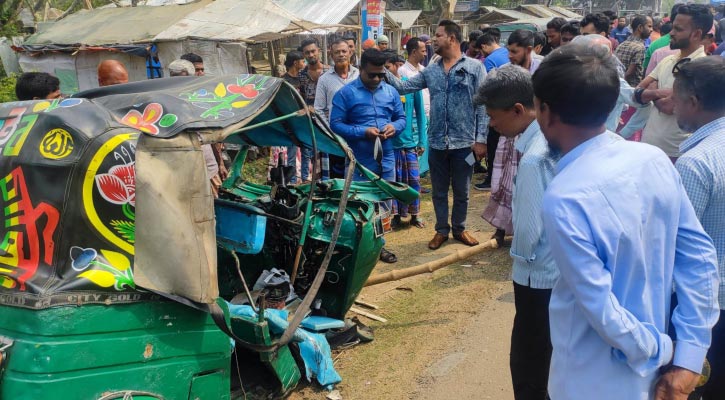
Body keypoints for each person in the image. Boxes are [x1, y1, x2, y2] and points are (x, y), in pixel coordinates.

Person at [533, 43, 719, 400]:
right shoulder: (652, 159)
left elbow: (602, 309)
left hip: (592, 377)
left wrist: (662, 351)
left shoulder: (565, 196)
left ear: (545, 111)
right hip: (659, 371)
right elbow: (699, 257)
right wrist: (688, 355)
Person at [475, 64, 558, 399]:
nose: (492, 125)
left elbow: (526, 233)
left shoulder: (534, 158)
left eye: (494, 117)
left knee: (529, 362)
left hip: (536, 275)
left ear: (518, 110)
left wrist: (517, 256)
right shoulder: (555, 137)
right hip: (560, 271)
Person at [385, 20, 488, 250]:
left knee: (462, 191)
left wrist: (481, 140)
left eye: (438, 35)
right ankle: (442, 230)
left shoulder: (474, 67)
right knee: (439, 191)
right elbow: (404, 87)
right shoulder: (431, 70)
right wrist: (382, 67)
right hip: (437, 144)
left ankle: (459, 229)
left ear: (451, 38)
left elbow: (482, 106)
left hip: (466, 144)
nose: (433, 40)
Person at [672, 56, 725, 400]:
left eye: (676, 100)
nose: (672, 107)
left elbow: (678, 251)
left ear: (692, 103)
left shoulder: (695, 163)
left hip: (707, 307)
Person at [330, 48, 406, 263]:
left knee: (384, 202)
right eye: (371, 74)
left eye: (380, 74)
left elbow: (401, 117)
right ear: (360, 68)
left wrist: (394, 127)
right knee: (359, 203)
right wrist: (362, 132)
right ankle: (359, 247)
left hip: (387, 156)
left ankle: (379, 246)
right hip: (358, 159)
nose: (376, 79)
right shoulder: (345, 94)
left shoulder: (390, 92)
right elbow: (335, 125)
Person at [636, 4, 713, 162]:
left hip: (674, 153)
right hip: (649, 146)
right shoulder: (667, 60)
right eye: (673, 28)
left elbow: (669, 107)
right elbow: (638, 91)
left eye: (678, 29)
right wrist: (660, 93)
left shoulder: (702, 69)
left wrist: (652, 92)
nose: (671, 33)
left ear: (696, 34)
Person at [385, 52, 427, 230]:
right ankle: (395, 216)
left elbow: (421, 115)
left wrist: (422, 141)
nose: (384, 73)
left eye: (387, 68)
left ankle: (415, 215)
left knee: (413, 181)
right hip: (389, 144)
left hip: (409, 142)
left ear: (397, 65)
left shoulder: (410, 86)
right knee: (393, 182)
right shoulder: (381, 89)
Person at [298, 38, 330, 182]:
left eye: (313, 51)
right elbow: (302, 97)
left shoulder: (329, 71)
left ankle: (329, 182)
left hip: (328, 120)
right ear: (304, 55)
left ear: (319, 51)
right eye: (307, 53)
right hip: (310, 121)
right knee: (311, 153)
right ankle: (312, 183)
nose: (311, 55)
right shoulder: (302, 75)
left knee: (328, 153)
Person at [400, 37, 431, 177]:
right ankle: (414, 175)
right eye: (423, 51)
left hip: (426, 114)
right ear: (413, 52)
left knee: (424, 144)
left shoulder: (424, 70)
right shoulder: (403, 72)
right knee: (414, 147)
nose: (425, 54)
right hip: (412, 116)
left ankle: (420, 174)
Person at [314, 39, 360, 123]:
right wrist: (329, 133)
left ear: (350, 53)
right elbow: (318, 110)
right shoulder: (324, 79)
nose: (341, 55)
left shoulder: (359, 75)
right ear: (332, 56)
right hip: (335, 131)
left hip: (360, 129)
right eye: (337, 52)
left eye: (344, 51)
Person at [644, 4, 687, 70]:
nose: (672, 33)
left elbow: (646, 72)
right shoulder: (658, 51)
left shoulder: (655, 46)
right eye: (661, 22)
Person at [614, 15, 652, 87]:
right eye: (649, 26)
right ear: (640, 28)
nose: (651, 29)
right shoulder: (640, 47)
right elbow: (629, 72)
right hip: (632, 88)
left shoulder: (622, 45)